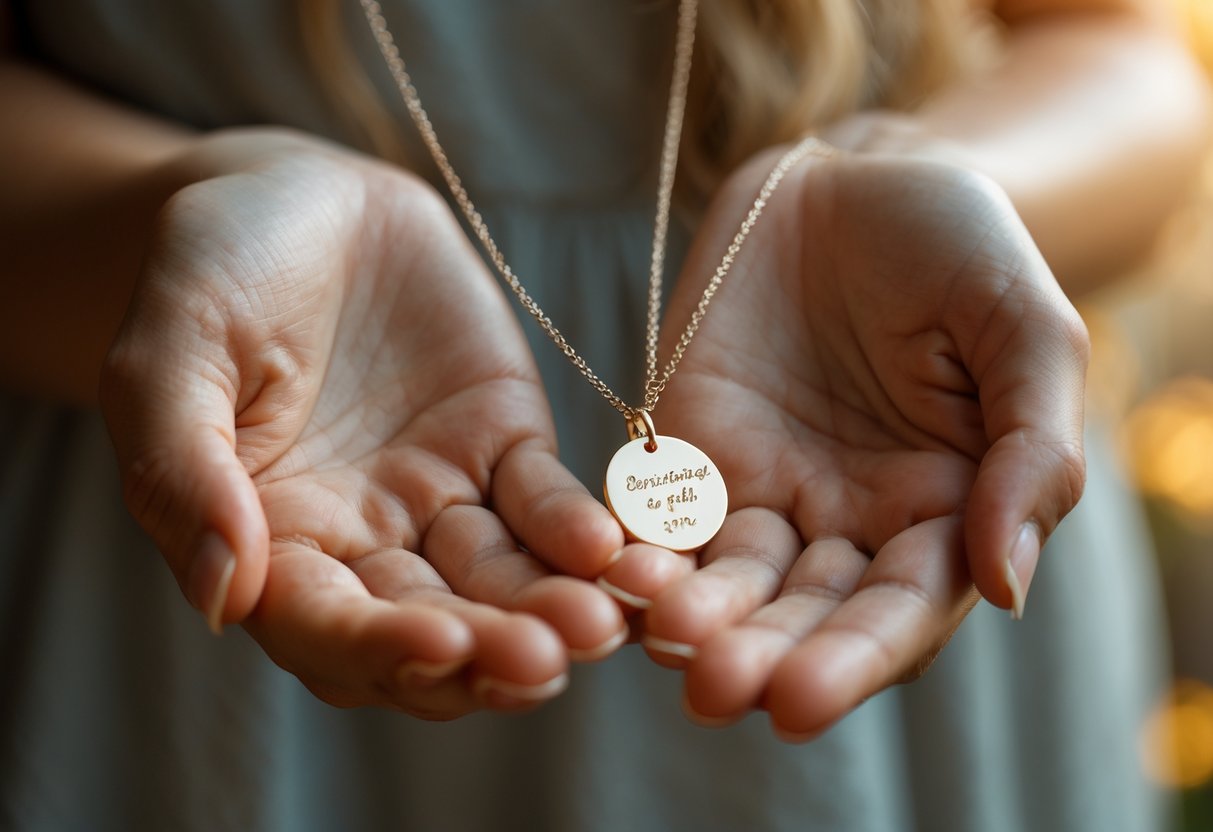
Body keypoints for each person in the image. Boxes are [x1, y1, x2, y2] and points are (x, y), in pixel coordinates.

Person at [0, 0, 1208, 829]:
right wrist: (164, 224)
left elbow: (1131, 58)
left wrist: (952, 178)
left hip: (882, 442)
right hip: (265, 488)